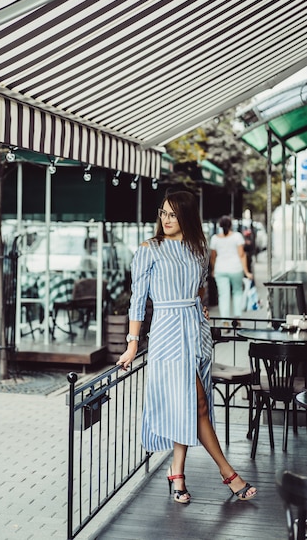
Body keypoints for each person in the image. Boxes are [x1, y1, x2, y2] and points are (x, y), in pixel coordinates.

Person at [116, 190, 256, 504]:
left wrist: (200, 306)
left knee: (188, 405)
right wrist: (132, 344)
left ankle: (176, 470)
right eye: (163, 213)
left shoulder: (198, 249)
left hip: (196, 331)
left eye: (173, 214)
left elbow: (199, 288)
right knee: (199, 404)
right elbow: (137, 301)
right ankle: (229, 474)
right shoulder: (149, 249)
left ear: (186, 216)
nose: (166, 219)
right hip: (167, 334)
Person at [209, 216, 253, 324]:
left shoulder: (214, 238)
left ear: (220, 226)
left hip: (220, 269)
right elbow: (242, 255)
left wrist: (213, 269)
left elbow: (213, 257)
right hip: (235, 268)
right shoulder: (237, 237)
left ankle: (225, 321)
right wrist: (246, 271)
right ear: (231, 225)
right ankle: (237, 318)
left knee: (223, 295)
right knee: (237, 292)